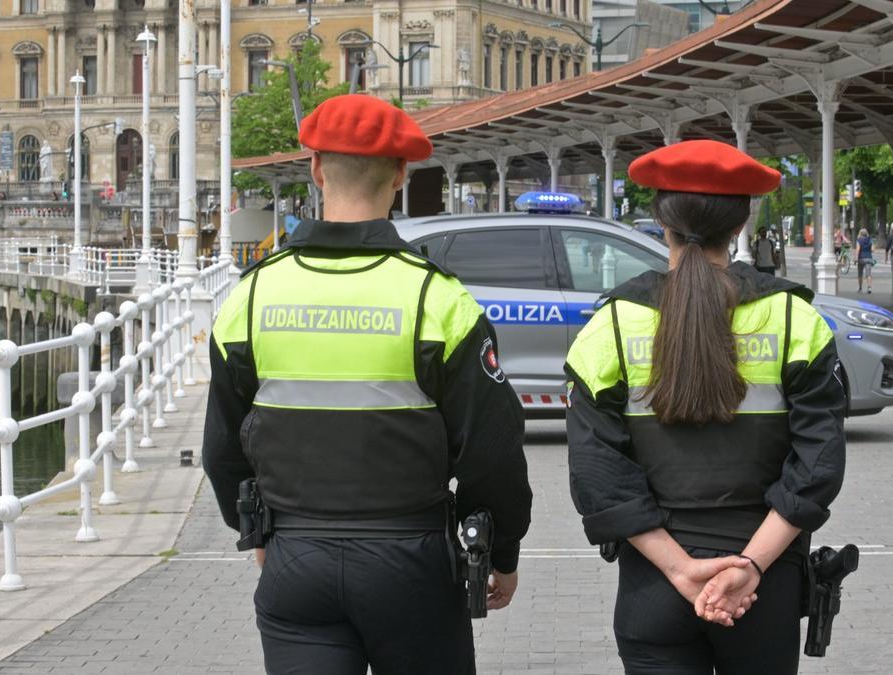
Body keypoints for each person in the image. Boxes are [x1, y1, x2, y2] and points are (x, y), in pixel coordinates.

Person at [202, 95, 533, 675]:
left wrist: (257, 534)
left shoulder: (251, 297)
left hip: (295, 560)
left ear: (316, 168)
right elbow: (492, 451)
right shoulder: (437, 299)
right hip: (413, 562)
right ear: (401, 175)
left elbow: (223, 447)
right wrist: (500, 551)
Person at [565, 140, 847, 675]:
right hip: (763, 586)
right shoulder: (795, 320)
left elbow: (597, 472)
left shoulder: (613, 324)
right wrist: (749, 566)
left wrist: (680, 571)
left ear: (661, 221)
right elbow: (819, 464)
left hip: (654, 585)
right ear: (740, 224)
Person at [856, 227, 874, 293]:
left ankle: (860, 288)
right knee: (868, 274)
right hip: (869, 258)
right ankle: (869, 288)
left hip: (861, 258)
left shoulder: (859, 240)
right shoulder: (870, 240)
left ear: (860, 233)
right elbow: (872, 249)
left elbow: (858, 249)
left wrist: (856, 258)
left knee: (860, 274)